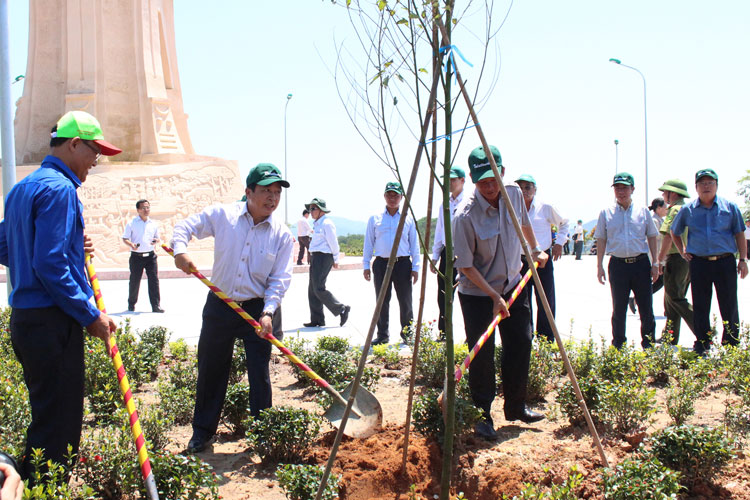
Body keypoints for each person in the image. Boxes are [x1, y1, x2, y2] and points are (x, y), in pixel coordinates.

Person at [0, 111, 119, 481]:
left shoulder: (23, 187)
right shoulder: (61, 189)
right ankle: (44, 489)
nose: (95, 161)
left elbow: (8, 248)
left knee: (47, 414)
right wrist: (90, 315)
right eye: (94, 151)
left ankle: (29, 485)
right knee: (60, 423)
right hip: (53, 323)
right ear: (73, 144)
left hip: (27, 321)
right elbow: (50, 266)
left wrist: (68, 245)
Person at [171, 163, 293, 453]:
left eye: (277, 192)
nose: (272, 198)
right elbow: (184, 227)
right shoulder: (223, 216)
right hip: (220, 305)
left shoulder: (282, 234)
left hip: (257, 311)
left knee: (259, 374)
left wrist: (268, 312)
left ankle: (262, 435)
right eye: (266, 191)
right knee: (211, 369)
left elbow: (280, 279)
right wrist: (180, 250)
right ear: (249, 192)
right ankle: (202, 432)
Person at [453, 145, 549, 440]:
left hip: (513, 283)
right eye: (483, 182)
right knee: (481, 355)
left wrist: (534, 250)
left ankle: (516, 405)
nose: (490, 187)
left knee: (521, 341)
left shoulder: (514, 194)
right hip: (478, 294)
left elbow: (523, 224)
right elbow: (466, 267)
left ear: (503, 172)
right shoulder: (464, 216)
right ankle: (482, 415)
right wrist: (493, 297)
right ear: (472, 179)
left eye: (494, 179)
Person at [670, 168, 748, 355]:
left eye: (710, 183)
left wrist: (743, 259)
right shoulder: (688, 210)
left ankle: (731, 342)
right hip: (699, 263)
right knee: (701, 304)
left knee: (729, 303)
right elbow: (675, 231)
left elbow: (739, 233)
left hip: (725, 261)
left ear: (717, 186)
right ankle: (702, 342)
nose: (706, 186)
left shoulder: (730, 208)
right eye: (702, 183)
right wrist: (683, 251)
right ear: (696, 187)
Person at [595, 172, 659, 349]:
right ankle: (618, 345)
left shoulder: (643, 212)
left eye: (624, 187)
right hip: (618, 265)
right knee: (619, 308)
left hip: (640, 264)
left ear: (633, 189)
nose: (621, 191)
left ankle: (649, 344)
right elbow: (601, 239)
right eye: (617, 187)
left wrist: (656, 263)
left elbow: (652, 236)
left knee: (646, 307)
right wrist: (599, 265)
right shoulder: (606, 213)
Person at [363, 181, 421, 345]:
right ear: (384, 196)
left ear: (401, 197)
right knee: (381, 300)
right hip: (381, 264)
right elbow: (369, 243)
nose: (392, 198)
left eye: (396, 195)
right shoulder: (375, 219)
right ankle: (382, 335)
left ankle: (408, 334)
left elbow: (414, 245)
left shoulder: (408, 219)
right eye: (389, 194)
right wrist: (366, 265)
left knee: (405, 301)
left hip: (402, 264)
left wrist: (416, 267)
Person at [515, 174, 569, 342]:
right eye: (520, 187)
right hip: (520, 261)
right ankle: (526, 336)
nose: (524, 191)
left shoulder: (545, 207)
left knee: (545, 299)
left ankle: (546, 338)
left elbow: (564, 222)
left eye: (528, 187)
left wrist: (559, 242)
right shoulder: (511, 208)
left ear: (535, 190)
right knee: (523, 301)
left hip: (542, 260)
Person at [655, 179, 695, 345]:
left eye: (666, 192)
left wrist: (660, 260)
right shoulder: (688, 209)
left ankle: (703, 328)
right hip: (688, 259)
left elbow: (668, 236)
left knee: (675, 297)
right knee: (670, 301)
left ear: (674, 193)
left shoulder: (674, 211)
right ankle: (670, 336)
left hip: (676, 258)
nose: (664, 196)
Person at [430, 166, 467, 337]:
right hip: (448, 252)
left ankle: (471, 333)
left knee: (468, 293)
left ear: (462, 180)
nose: (450, 183)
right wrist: (436, 255)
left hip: (466, 251)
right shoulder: (445, 203)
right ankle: (445, 331)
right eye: (447, 180)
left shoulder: (469, 202)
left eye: (453, 179)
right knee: (444, 293)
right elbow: (440, 230)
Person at [303, 198, 351, 328]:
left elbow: (333, 242)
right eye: (310, 209)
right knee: (312, 289)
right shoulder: (317, 223)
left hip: (324, 257)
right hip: (316, 257)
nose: (311, 211)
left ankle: (341, 309)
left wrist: (336, 259)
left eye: (314, 208)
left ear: (321, 210)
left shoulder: (327, 223)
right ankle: (317, 319)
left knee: (318, 287)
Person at [122, 199, 163, 312]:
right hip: (136, 257)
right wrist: (131, 244)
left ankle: (156, 306)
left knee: (154, 280)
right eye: (143, 208)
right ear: (138, 210)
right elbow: (125, 238)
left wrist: (156, 241)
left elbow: (158, 238)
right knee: (135, 281)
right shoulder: (131, 223)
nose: (146, 210)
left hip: (151, 256)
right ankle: (131, 304)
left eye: (148, 207)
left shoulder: (153, 224)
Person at [628, 197, 667, 313]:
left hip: (661, 257)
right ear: (658, 208)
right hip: (656, 257)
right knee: (659, 281)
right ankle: (636, 299)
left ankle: (635, 300)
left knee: (661, 282)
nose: (666, 209)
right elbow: (654, 239)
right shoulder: (655, 221)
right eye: (664, 207)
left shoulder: (660, 220)